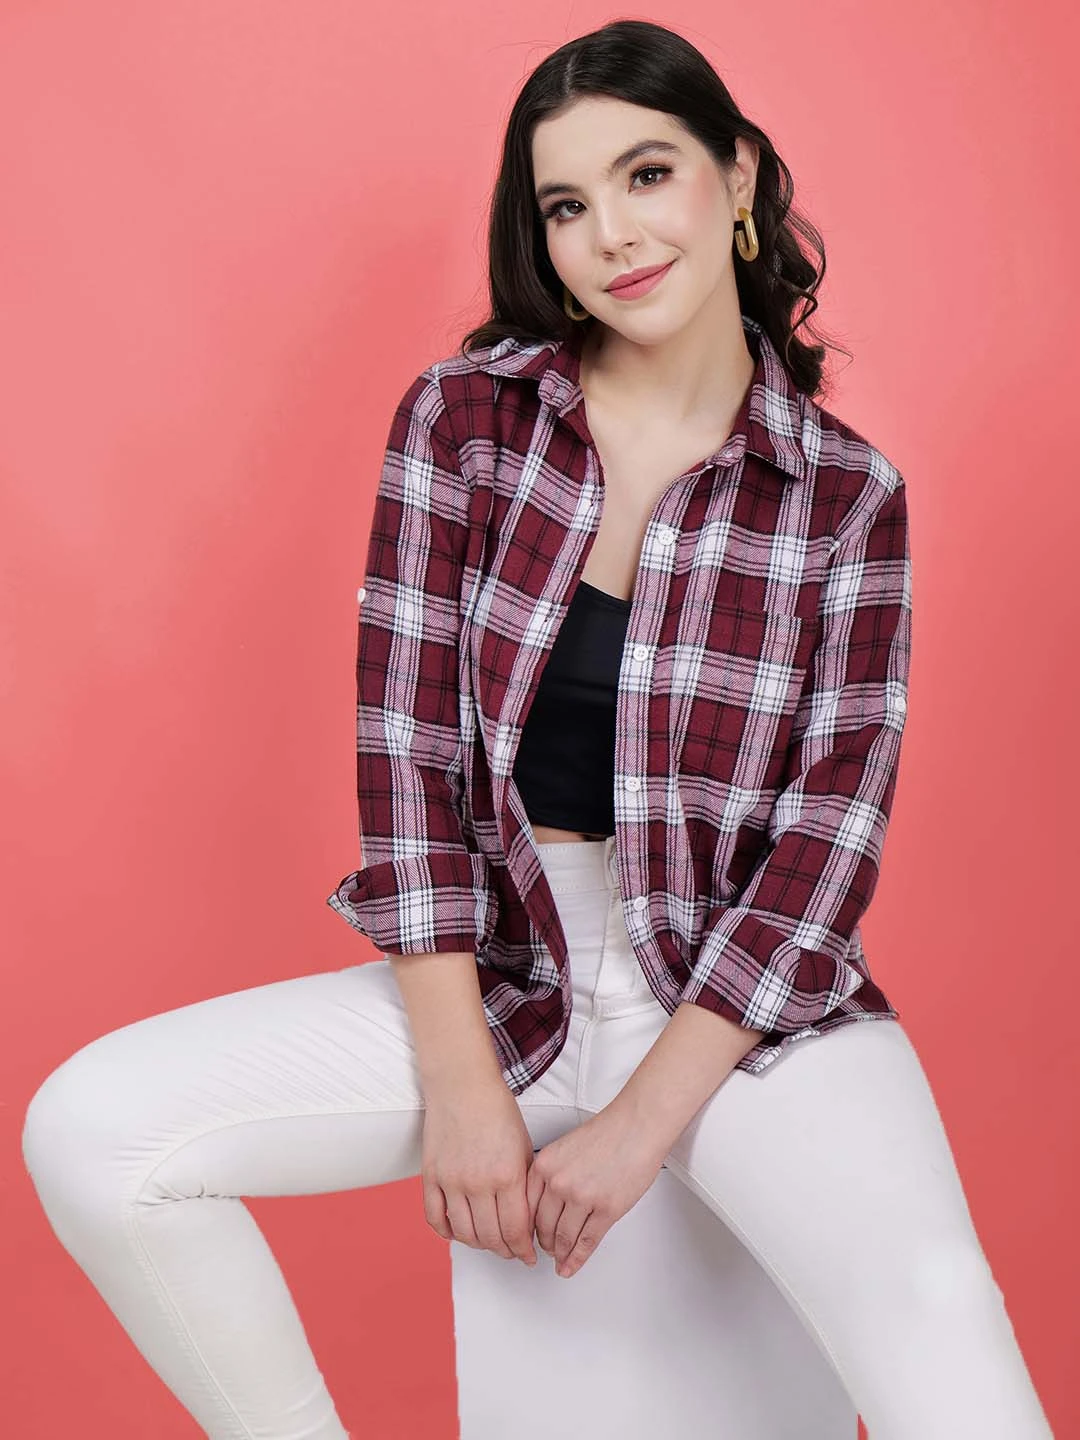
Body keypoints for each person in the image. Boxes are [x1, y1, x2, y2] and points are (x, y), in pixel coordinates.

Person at [20, 18, 1055, 1440]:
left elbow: (829, 842)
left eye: (648, 174)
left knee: (955, 1357)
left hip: (742, 1010)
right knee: (93, 1129)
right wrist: (462, 1088)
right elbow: (408, 759)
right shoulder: (469, 422)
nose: (611, 234)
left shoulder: (843, 495)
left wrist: (640, 1126)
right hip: (505, 979)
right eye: (566, 204)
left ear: (739, 178)